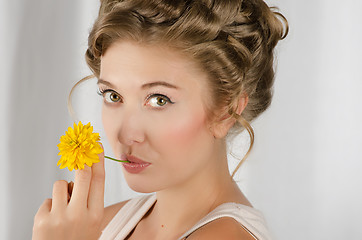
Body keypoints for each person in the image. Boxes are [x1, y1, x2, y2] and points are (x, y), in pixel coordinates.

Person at [32, 0, 288, 239]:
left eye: (159, 100)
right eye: (113, 95)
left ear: (227, 110)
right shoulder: (101, 224)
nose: (126, 134)